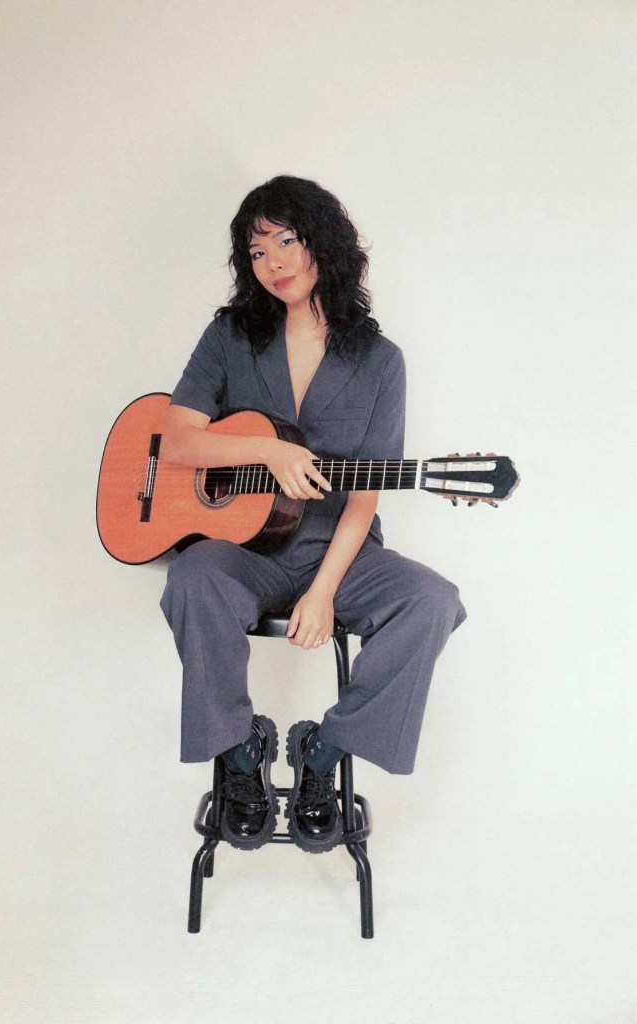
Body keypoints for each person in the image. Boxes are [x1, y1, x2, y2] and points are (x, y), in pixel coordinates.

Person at [160, 175, 466, 853]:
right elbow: (177, 441)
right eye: (256, 250)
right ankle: (241, 752)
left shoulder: (381, 362)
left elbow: (364, 494)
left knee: (431, 601)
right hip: (244, 551)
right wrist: (265, 449)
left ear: (322, 241)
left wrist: (325, 590)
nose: (272, 262)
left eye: (286, 240)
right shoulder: (230, 336)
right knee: (191, 578)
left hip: (341, 549)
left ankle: (321, 754)